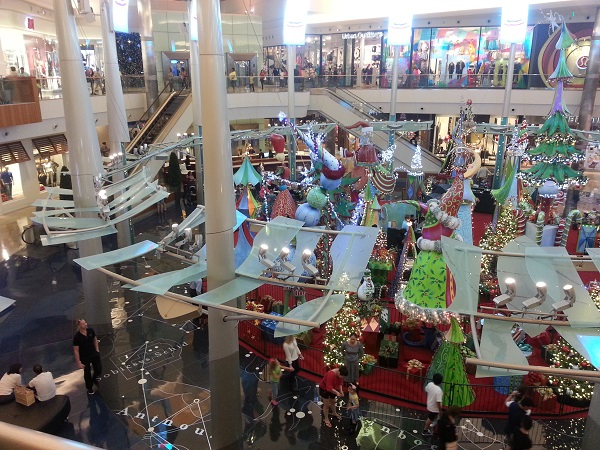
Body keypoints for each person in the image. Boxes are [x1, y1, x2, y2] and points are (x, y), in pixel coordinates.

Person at [73, 318, 102, 395]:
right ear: (79, 326)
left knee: (98, 369)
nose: (85, 324)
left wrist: (97, 350)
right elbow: (76, 350)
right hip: (84, 356)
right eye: (83, 324)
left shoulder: (90, 331)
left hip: (93, 353)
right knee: (87, 372)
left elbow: (95, 339)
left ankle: (94, 378)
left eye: (85, 322)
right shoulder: (77, 337)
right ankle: (89, 387)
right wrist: (78, 362)